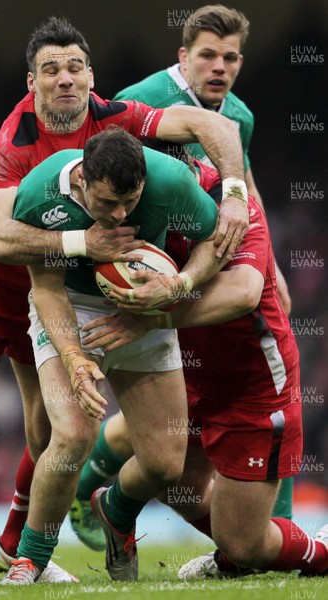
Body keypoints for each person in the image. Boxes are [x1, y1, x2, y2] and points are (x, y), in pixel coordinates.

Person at [0, 14, 247, 564]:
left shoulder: (116, 118)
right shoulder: (10, 144)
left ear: (90, 76)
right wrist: (86, 243)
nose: (65, 79)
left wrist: (231, 192)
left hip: (57, 293)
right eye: (51, 69)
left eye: (75, 68)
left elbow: (218, 128)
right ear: (31, 83)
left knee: (52, 441)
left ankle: (18, 553)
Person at [80, 159, 328, 578]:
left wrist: (154, 315)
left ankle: (308, 554)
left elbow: (243, 292)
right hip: (190, 375)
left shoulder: (234, 210)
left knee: (245, 542)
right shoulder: (132, 210)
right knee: (179, 487)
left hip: (253, 384)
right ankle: (115, 508)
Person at [0, 127, 226, 584]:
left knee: (165, 465)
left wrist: (178, 286)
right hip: (71, 308)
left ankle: (115, 509)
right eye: (108, 204)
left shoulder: (170, 182)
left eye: (131, 201)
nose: (121, 214)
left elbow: (215, 241)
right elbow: (44, 288)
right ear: (82, 178)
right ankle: (30, 560)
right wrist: (73, 357)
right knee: (71, 437)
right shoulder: (39, 195)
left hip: (146, 305)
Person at [104, 2, 294, 535]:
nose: (220, 68)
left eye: (231, 58)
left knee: (185, 432)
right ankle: (84, 494)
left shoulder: (240, 116)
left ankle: (263, 534)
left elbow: (245, 190)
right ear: (182, 57)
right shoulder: (141, 102)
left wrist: (270, 264)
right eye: (208, 55)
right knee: (80, 407)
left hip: (195, 276)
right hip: (138, 267)